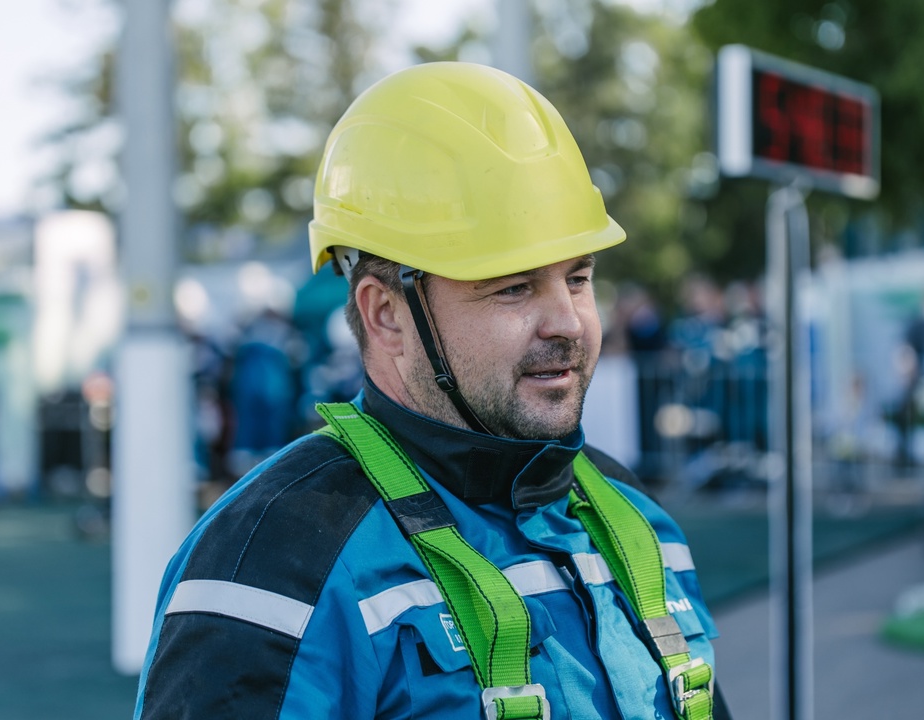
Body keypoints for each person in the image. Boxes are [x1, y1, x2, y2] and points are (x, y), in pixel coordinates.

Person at [134, 62, 730, 720]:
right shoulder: (275, 557)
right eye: (514, 287)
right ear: (387, 315)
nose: (567, 322)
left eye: (579, 277)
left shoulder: (639, 521)